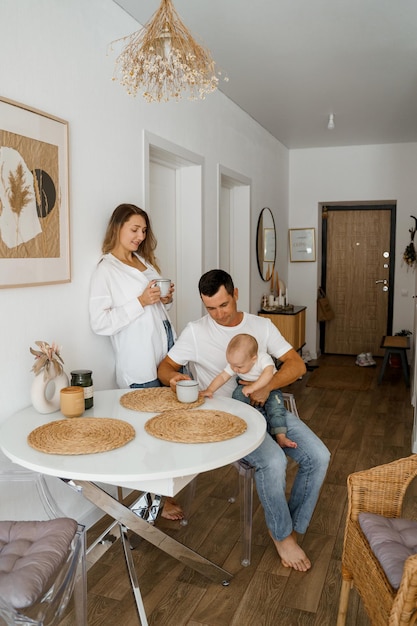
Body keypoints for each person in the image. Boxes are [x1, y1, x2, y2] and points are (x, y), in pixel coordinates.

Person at [158, 269, 330, 570]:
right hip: (225, 417)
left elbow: (296, 364)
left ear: (235, 294)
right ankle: (283, 536)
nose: (219, 314)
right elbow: (165, 367)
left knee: (319, 456)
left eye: (223, 305)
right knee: (274, 461)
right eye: (210, 308)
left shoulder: (260, 326)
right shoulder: (196, 332)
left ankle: (286, 524)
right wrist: (175, 378)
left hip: (267, 406)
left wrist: (267, 386)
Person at [89, 203, 183, 520]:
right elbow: (100, 323)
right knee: (147, 442)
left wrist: (163, 300)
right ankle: (145, 513)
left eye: (143, 230)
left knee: (166, 432)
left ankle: (162, 498)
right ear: (118, 227)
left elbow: (153, 304)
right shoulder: (106, 270)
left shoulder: (142, 261)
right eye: (134, 229)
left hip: (165, 358)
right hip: (139, 366)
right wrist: (141, 301)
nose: (140, 236)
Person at [200, 333, 297, 449]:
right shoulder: (236, 363)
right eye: (232, 365)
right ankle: (242, 423)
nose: (235, 369)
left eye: (239, 367)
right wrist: (210, 390)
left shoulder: (263, 358)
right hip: (245, 385)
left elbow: (268, 374)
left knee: (276, 408)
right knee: (238, 396)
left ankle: (281, 436)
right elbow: (223, 376)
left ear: (253, 359)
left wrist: (254, 387)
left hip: (270, 387)